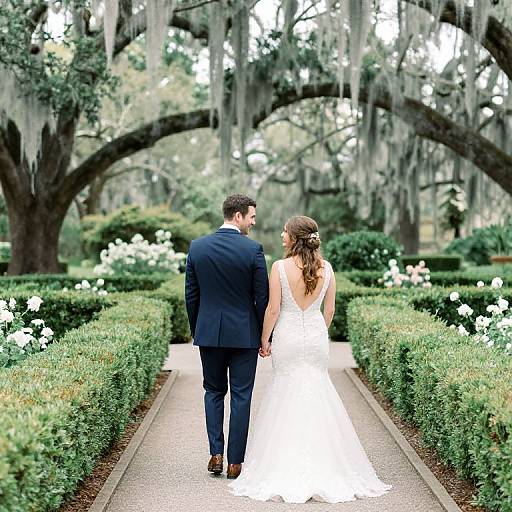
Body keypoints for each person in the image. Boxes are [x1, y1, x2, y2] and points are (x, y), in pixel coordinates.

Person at [229, 215, 392, 503]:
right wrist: (316, 332)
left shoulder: (279, 267)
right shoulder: (327, 269)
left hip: (288, 337)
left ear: (294, 238)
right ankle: (328, 464)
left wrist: (264, 340)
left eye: (285, 232)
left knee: (286, 392)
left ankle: (281, 465)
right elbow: (329, 311)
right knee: (318, 391)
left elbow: (272, 310)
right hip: (316, 338)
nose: (281, 235)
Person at [185, 194, 269, 480]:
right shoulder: (253, 250)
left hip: (209, 333)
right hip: (244, 334)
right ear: (238, 216)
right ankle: (236, 463)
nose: (253, 223)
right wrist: (263, 335)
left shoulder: (198, 248)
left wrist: (198, 329)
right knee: (242, 396)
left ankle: (215, 454)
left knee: (213, 392)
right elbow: (262, 297)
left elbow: (191, 296)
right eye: (251, 217)